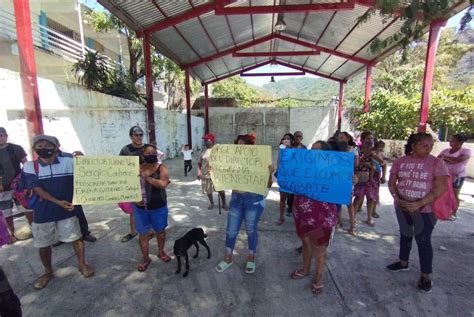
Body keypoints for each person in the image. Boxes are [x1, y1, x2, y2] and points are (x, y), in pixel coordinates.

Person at [23, 135, 93, 290]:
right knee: (44, 243)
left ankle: (82, 264)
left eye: (47, 145)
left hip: (67, 210)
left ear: (55, 147)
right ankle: (48, 272)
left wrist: (83, 160)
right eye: (39, 145)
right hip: (43, 213)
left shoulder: (68, 162)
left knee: (76, 237)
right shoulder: (29, 166)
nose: (43, 148)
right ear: (34, 149)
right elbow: (36, 188)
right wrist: (58, 202)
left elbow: (88, 172)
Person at [387, 132, 448, 293]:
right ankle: (403, 263)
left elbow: (441, 187)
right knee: (405, 234)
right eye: (424, 145)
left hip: (425, 210)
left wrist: (419, 203)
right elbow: (392, 183)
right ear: (413, 145)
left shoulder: (436, 163)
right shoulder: (400, 162)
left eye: (431, 146)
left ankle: (425, 275)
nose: (429, 149)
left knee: (423, 240)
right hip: (402, 206)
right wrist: (396, 198)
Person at [216, 134, 273, 274]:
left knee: (251, 230)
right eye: (238, 145)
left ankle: (251, 257)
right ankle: (228, 257)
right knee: (231, 230)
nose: (240, 148)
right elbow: (223, 177)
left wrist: (269, 173)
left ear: (251, 147)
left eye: (243, 145)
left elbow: (268, 184)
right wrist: (215, 172)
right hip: (236, 199)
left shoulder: (260, 160)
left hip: (254, 201)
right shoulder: (232, 162)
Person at [289, 141, 337, 295]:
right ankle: (305, 269)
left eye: (317, 149)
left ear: (325, 153)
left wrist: (353, 180)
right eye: (312, 149)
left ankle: (318, 276)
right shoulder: (303, 167)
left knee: (319, 247)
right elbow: (288, 180)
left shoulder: (333, 170)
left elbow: (344, 188)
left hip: (321, 217)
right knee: (305, 241)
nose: (312, 151)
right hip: (302, 214)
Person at [134, 144, 171, 272]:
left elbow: (163, 184)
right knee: (143, 234)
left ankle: (161, 252)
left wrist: (147, 178)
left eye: (153, 153)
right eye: (148, 153)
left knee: (160, 231)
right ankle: (145, 259)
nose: (151, 155)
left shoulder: (162, 168)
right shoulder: (136, 168)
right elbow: (126, 186)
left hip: (158, 207)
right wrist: (134, 199)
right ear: (143, 155)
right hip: (140, 209)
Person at [51, 142, 96, 246]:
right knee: (57, 215)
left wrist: (81, 157)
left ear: (58, 145)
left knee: (78, 212)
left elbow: (83, 167)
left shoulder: (69, 157)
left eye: (54, 144)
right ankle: (62, 237)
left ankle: (84, 233)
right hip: (54, 191)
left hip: (71, 190)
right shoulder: (44, 160)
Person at [0, 127, 29, 243]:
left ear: (6, 136)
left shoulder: (16, 148)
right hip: (3, 190)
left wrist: (25, 180)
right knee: (6, 213)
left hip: (19, 186)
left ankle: (36, 230)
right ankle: (11, 235)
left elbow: (25, 164)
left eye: (1, 135)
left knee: (26, 208)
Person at [118, 125, 145, 243]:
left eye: (141, 134)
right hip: (131, 183)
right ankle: (133, 232)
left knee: (148, 208)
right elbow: (120, 166)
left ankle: (150, 231)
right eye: (136, 135)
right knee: (133, 210)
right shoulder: (125, 150)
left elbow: (156, 164)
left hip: (147, 183)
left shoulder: (148, 148)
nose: (139, 137)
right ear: (130, 136)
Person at [353, 131, 384, 227]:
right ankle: (353, 217)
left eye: (371, 138)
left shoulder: (375, 150)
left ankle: (369, 218)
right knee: (358, 197)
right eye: (367, 138)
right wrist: (364, 164)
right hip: (360, 176)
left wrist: (373, 154)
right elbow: (354, 163)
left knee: (371, 198)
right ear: (362, 139)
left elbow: (382, 162)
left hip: (372, 178)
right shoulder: (357, 150)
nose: (370, 140)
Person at [437, 133, 471, 220]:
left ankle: (454, 213)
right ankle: (443, 211)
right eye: (450, 140)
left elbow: (457, 160)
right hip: (444, 175)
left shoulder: (465, 151)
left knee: (455, 194)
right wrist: (446, 158)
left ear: (460, 142)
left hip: (457, 176)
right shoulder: (446, 150)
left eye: (453, 140)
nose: (450, 142)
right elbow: (438, 159)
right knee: (442, 193)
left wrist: (445, 158)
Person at [197, 133, 227, 210]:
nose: (205, 141)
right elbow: (199, 163)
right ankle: (211, 203)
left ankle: (224, 203)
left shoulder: (218, 150)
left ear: (212, 141)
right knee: (208, 191)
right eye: (205, 140)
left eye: (207, 140)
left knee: (220, 189)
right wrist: (199, 172)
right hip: (206, 175)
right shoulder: (203, 151)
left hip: (216, 174)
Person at [286, 131, 307, 217]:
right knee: (290, 191)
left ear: (302, 138)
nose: (298, 138)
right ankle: (290, 207)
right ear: (294, 137)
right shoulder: (289, 147)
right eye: (296, 136)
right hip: (290, 172)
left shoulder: (304, 148)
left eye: (300, 136)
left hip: (300, 173)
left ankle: (297, 207)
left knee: (298, 191)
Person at [276, 133, 295, 225]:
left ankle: (296, 217)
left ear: (292, 141)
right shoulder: (281, 150)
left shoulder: (296, 151)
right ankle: (281, 216)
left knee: (294, 199)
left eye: (288, 138)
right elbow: (278, 162)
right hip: (284, 177)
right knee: (282, 198)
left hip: (294, 178)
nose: (286, 140)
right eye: (284, 138)